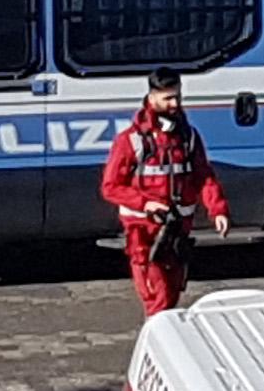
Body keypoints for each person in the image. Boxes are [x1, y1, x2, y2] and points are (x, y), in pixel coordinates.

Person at [99, 68, 230, 316]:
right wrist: (145, 204)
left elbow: (204, 176)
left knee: (171, 296)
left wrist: (218, 210)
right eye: (167, 98)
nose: (174, 104)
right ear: (152, 98)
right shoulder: (131, 141)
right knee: (158, 301)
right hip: (144, 235)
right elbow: (111, 187)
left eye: (178, 97)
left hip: (177, 231)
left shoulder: (188, 138)